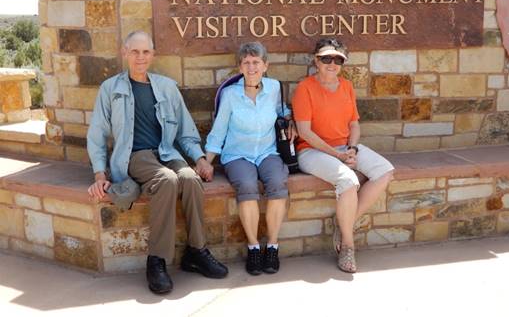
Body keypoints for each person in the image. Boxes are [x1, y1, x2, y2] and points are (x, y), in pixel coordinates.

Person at [87, 31, 228, 294]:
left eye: (146, 52)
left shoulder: (166, 87)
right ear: (124, 53)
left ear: (153, 54)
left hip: (166, 152)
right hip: (134, 156)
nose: (141, 57)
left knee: (189, 178)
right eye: (135, 51)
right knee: (167, 180)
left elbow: (185, 131)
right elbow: (97, 135)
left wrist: (199, 159)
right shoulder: (111, 89)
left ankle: (196, 252)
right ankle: (157, 260)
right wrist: (99, 173)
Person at [292, 38, 394, 273]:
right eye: (326, 58)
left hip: (344, 147)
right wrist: (338, 157)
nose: (332, 63)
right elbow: (305, 131)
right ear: (316, 61)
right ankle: (348, 246)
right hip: (312, 151)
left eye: (337, 59)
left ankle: (344, 223)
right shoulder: (305, 88)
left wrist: (353, 148)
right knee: (348, 181)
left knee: (385, 171)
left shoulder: (346, 86)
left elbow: (354, 125)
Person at [204, 42, 296, 276]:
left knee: (277, 182)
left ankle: (272, 247)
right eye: (246, 62)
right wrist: (206, 160)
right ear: (240, 67)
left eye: (256, 62)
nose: (251, 66)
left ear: (265, 65)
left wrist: (290, 119)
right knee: (246, 185)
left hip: (268, 151)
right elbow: (219, 130)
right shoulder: (230, 94)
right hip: (238, 154)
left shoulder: (274, 87)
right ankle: (254, 247)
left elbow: (280, 110)